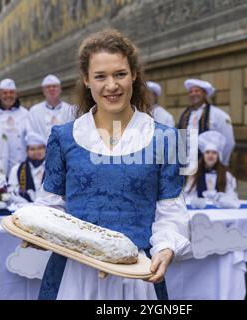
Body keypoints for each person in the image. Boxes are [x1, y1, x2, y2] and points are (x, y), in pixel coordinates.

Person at [33, 29, 190, 300]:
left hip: (137, 275)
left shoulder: (166, 139)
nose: (111, 85)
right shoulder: (63, 137)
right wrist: (37, 230)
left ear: (134, 75)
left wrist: (166, 248)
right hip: (75, 276)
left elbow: (170, 211)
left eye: (120, 74)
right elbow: (50, 205)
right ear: (86, 80)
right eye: (100, 76)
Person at [178, 79, 235, 166]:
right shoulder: (185, 115)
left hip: (208, 166)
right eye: (191, 92)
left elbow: (229, 142)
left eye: (197, 91)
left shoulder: (219, 115)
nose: (193, 94)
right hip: (185, 166)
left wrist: (221, 164)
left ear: (205, 93)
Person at [0, 79, 29, 174]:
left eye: (11, 92)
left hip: (21, 163)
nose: (8, 96)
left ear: (16, 95)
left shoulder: (25, 113)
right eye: (5, 93)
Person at [184, 131, 237, 200]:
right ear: (203, 156)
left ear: (218, 156)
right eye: (207, 152)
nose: (210, 155)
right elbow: (188, 196)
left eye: (214, 153)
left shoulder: (226, 175)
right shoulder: (195, 174)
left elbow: (231, 196)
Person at [27, 75, 78, 142]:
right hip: (42, 150)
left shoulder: (70, 110)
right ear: (43, 91)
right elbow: (31, 134)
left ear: (60, 89)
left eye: (54, 86)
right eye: (48, 87)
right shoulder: (34, 111)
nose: (51, 89)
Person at [8, 133, 47, 204]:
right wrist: (26, 204)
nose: (37, 152)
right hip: (24, 207)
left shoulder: (53, 168)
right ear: (27, 151)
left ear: (45, 149)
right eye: (32, 149)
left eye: (40, 148)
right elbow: (12, 191)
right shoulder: (16, 169)